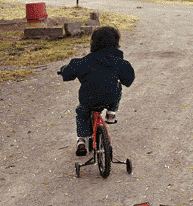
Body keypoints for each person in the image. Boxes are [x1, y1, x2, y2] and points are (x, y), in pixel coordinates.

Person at [58, 26, 135, 156]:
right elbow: (129, 79)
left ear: (93, 42)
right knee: (118, 87)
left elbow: (69, 72)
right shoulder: (118, 61)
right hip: (110, 97)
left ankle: (81, 140)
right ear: (116, 43)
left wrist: (63, 70)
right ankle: (111, 113)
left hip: (89, 98)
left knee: (82, 114)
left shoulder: (86, 61)